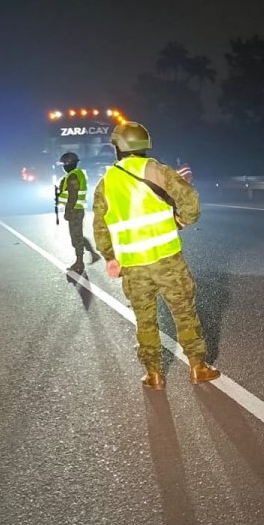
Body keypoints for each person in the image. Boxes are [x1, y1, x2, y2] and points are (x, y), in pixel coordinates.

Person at [92, 122, 220, 389]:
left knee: (145, 319)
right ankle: (198, 367)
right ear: (143, 146)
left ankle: (154, 375)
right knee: (184, 313)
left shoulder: (106, 183)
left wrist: (109, 257)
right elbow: (190, 202)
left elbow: (100, 226)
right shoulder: (158, 171)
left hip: (133, 266)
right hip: (167, 261)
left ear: (118, 148)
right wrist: (181, 221)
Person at [57, 151, 100, 272]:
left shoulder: (73, 176)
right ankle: (93, 254)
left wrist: (68, 211)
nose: (63, 166)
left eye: (64, 164)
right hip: (77, 209)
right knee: (78, 234)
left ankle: (79, 262)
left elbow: (73, 196)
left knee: (75, 236)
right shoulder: (76, 174)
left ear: (68, 164)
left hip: (75, 210)